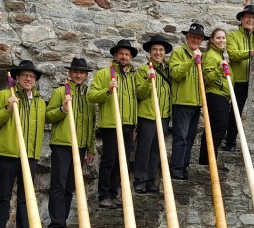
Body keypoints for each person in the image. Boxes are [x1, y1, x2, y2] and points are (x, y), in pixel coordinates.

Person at [0, 60, 47, 228]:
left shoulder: (39, 102)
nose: (28, 79)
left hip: (29, 156)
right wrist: (7, 109)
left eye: (32, 76)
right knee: (3, 197)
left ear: (35, 80)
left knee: (25, 199)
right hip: (8, 154)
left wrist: (62, 109)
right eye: (25, 75)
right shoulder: (5, 95)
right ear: (17, 78)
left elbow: (50, 119)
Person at [45, 58, 96, 228]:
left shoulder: (89, 96)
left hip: (80, 147)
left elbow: (91, 123)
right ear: (70, 73)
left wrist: (90, 148)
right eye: (75, 71)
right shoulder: (61, 92)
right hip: (62, 144)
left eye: (82, 72)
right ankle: (55, 225)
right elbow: (48, 116)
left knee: (70, 187)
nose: (78, 75)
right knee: (58, 185)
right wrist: (63, 109)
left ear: (86, 75)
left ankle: (63, 222)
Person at [88, 39, 139, 209]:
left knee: (122, 161)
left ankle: (114, 194)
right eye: (121, 54)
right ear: (115, 55)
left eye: (127, 54)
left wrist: (134, 126)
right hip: (111, 124)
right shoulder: (104, 74)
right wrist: (107, 90)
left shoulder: (133, 76)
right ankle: (104, 195)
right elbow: (91, 96)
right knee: (109, 160)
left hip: (128, 124)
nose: (124, 57)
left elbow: (136, 102)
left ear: (130, 57)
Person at [224, 4, 254, 152]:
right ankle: (230, 142)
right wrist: (250, 53)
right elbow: (233, 53)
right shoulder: (233, 36)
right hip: (239, 81)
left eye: (253, 18)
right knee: (236, 112)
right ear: (241, 19)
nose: (250, 20)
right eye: (247, 17)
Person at [133, 35, 173, 193]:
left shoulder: (168, 69)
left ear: (165, 53)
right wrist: (149, 80)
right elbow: (140, 93)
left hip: (163, 116)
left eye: (161, 50)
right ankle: (140, 181)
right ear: (150, 52)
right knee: (144, 149)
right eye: (155, 50)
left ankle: (150, 180)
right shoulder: (143, 69)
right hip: (148, 115)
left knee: (157, 149)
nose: (158, 53)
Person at [170, 23, 209, 180]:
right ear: (187, 38)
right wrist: (191, 60)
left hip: (196, 103)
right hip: (182, 102)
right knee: (181, 137)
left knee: (190, 138)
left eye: (199, 38)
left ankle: (184, 167)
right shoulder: (179, 54)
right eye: (193, 37)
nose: (196, 40)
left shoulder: (202, 56)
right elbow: (176, 74)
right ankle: (176, 168)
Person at [198, 28, 232, 172]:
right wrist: (219, 70)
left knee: (214, 128)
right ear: (211, 40)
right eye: (218, 38)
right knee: (219, 128)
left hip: (222, 95)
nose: (221, 40)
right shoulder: (211, 55)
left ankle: (208, 160)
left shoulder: (219, 55)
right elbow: (208, 78)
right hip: (215, 95)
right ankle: (208, 160)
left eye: (223, 38)